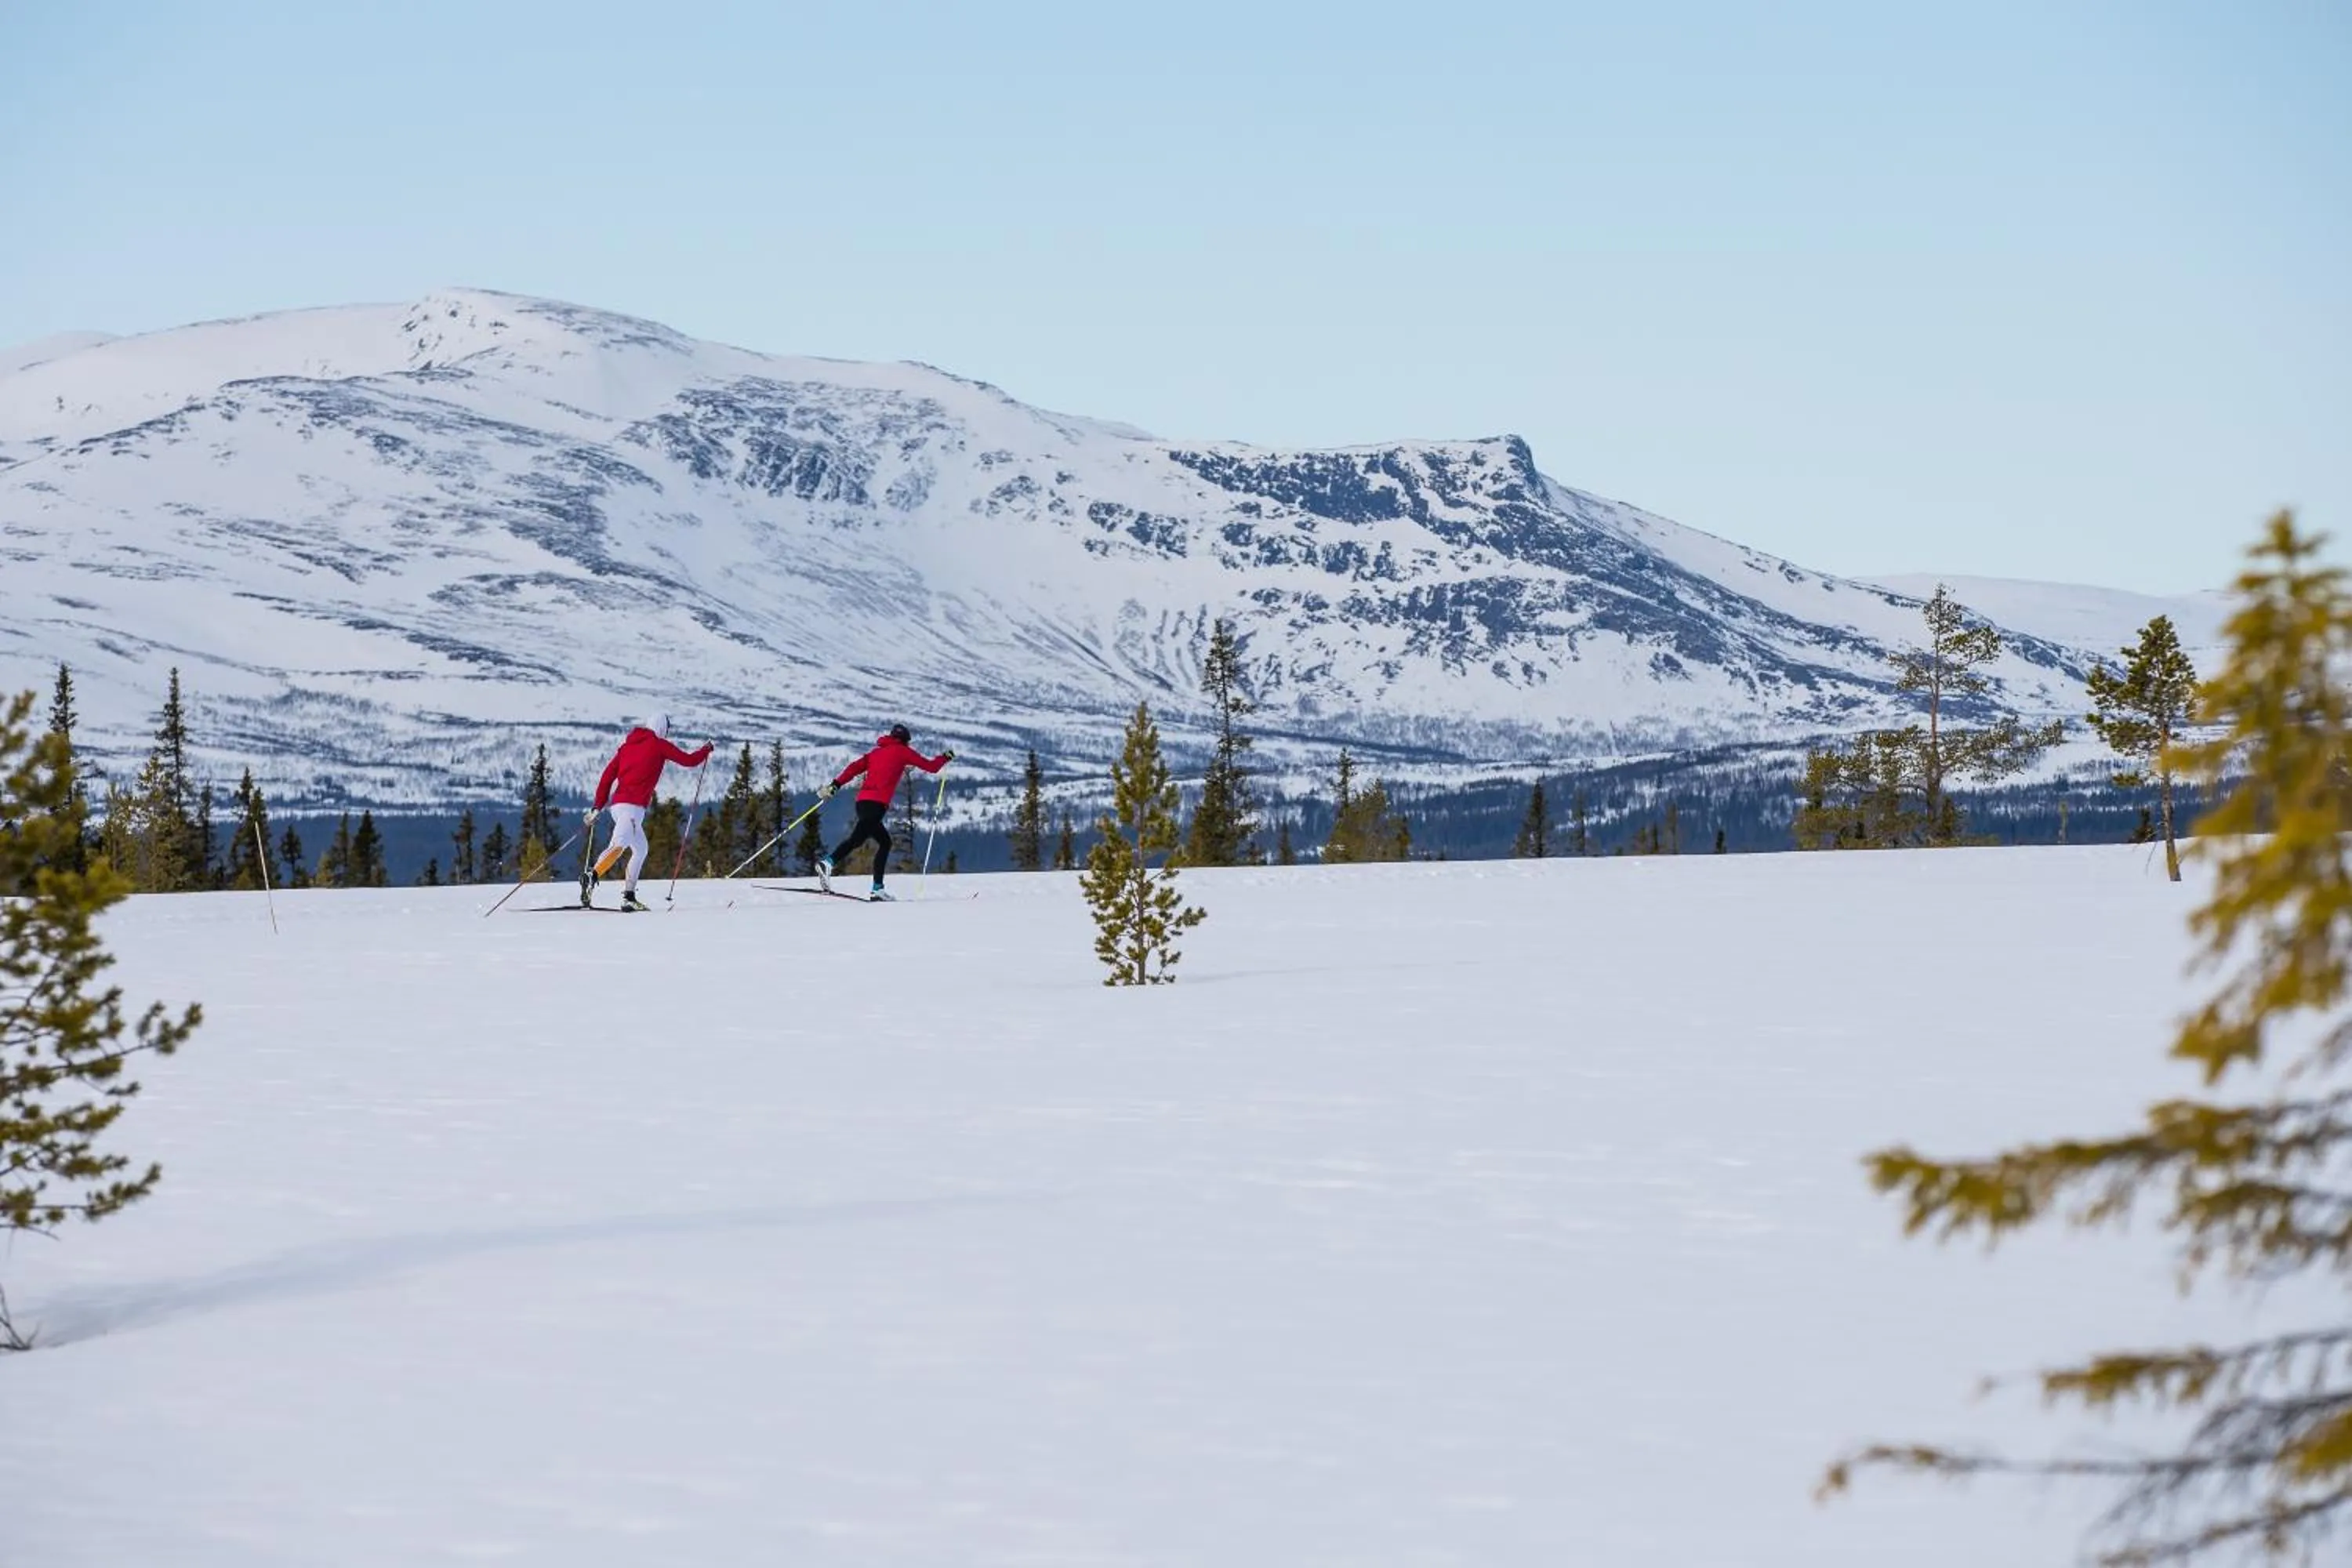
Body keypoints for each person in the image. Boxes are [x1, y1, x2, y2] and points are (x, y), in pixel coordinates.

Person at [586, 714, 712, 910]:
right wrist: (706, 750)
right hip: (632, 808)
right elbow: (688, 761)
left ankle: (629, 896)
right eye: (667, 729)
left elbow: (607, 777)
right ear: (662, 728)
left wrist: (597, 806)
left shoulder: (626, 748)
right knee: (619, 846)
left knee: (641, 849)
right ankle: (591, 876)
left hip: (618, 807)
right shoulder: (659, 745)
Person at [816, 723, 954, 901]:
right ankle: (828, 862)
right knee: (857, 839)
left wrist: (836, 785)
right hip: (876, 805)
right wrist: (945, 757)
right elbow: (931, 767)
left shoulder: (875, 753)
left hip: (862, 803)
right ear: (905, 741)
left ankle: (877, 889)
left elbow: (853, 768)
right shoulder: (904, 751)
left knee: (885, 842)